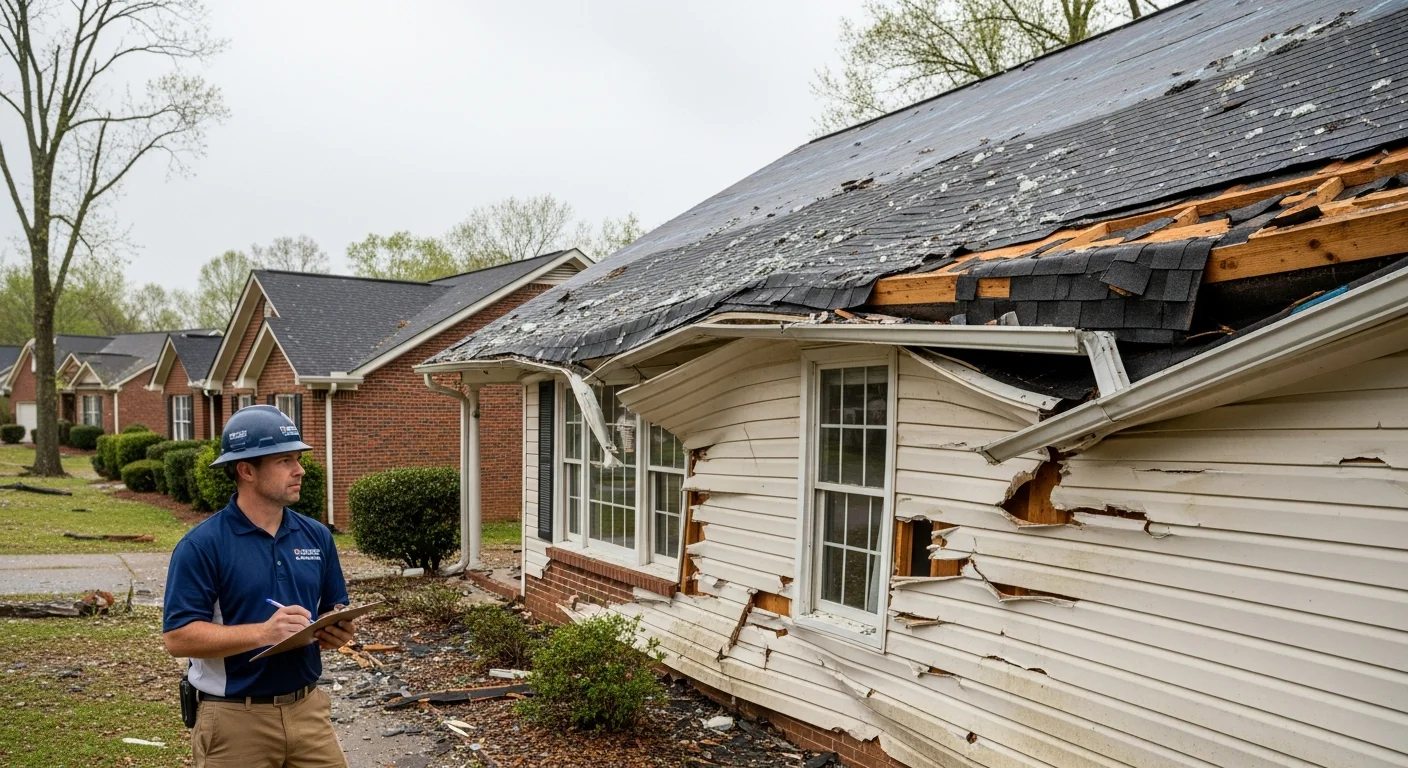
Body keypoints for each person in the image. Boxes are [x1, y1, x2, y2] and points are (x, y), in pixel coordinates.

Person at [162, 405, 355, 767]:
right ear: (246, 470)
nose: (299, 470)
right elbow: (178, 638)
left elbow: (334, 608)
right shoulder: (202, 546)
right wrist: (265, 633)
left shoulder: (316, 536)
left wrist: (337, 629)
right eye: (285, 460)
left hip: (308, 710)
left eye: (297, 459)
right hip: (234, 720)